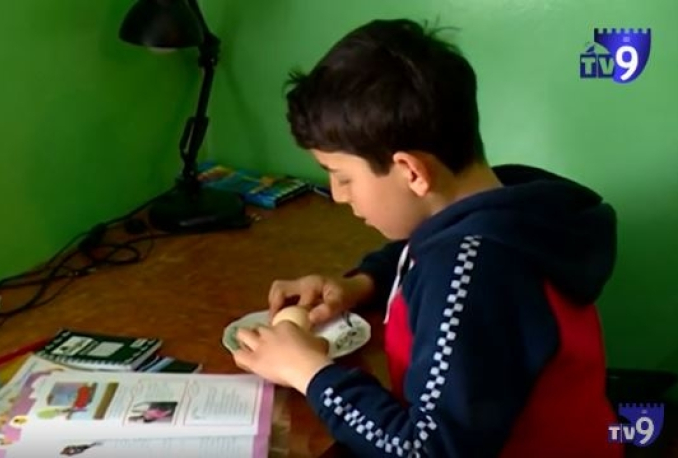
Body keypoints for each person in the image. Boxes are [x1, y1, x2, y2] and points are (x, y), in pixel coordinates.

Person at [231, 18, 622, 458]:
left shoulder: (471, 273)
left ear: (411, 171)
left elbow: (428, 449)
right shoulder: (512, 205)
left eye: (343, 177)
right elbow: (424, 245)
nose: (338, 195)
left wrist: (308, 371)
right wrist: (362, 284)